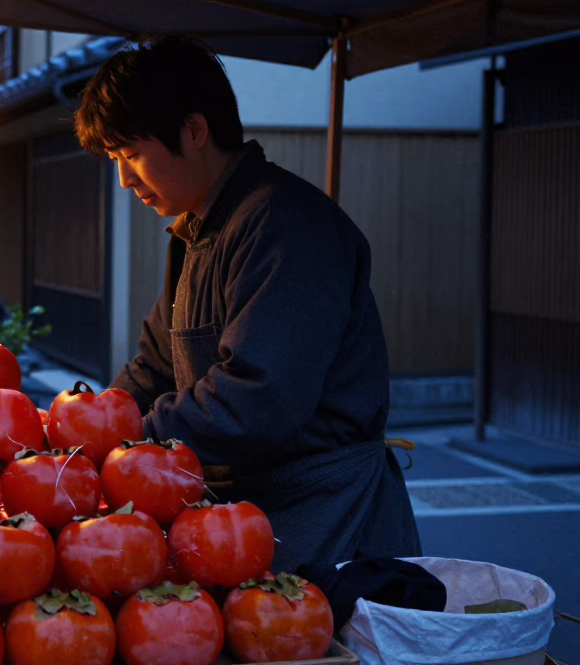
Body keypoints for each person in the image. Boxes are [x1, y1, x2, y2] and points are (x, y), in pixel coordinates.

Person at [74, 35, 419, 572]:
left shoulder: (288, 227)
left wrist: (121, 436)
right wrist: (82, 428)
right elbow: (154, 368)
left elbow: (258, 402)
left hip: (327, 518)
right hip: (245, 517)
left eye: (132, 155)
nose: (124, 179)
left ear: (193, 131)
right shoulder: (195, 232)